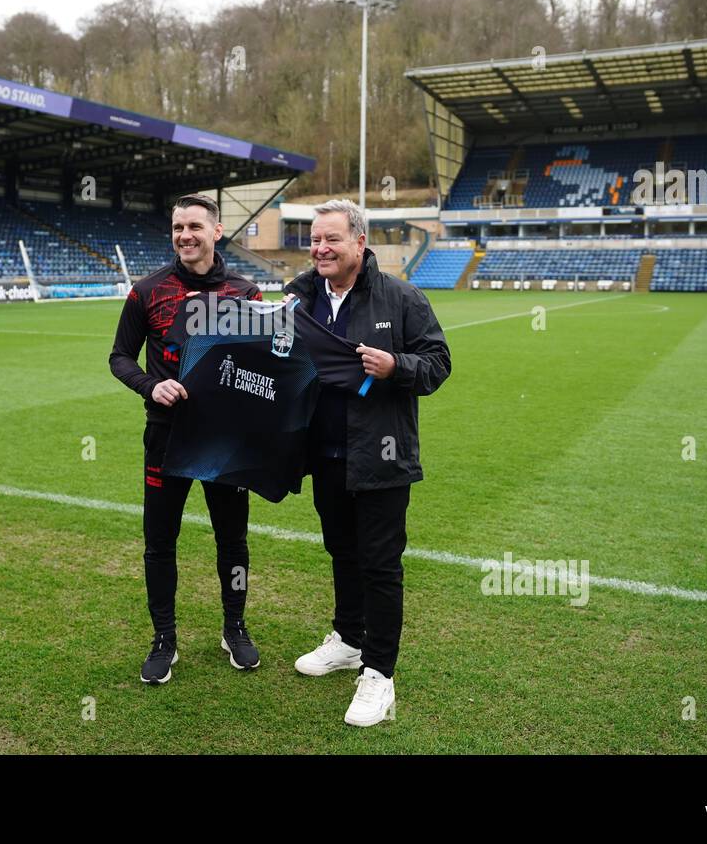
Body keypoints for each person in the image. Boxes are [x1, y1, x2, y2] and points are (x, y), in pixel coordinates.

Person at [283, 199, 451, 726]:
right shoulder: (301, 298)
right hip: (325, 456)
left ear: (360, 242)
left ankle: (379, 674)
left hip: (381, 457)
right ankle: (349, 639)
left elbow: (438, 363)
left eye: (331, 239)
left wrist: (395, 365)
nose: (320, 248)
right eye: (314, 239)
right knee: (341, 551)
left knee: (380, 565)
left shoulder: (400, 296)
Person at [108, 193, 263, 684]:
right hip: (167, 437)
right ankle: (163, 638)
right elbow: (120, 358)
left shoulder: (246, 292)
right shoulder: (147, 291)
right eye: (177, 227)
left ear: (217, 231)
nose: (185, 235)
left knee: (232, 541)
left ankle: (234, 627)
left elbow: (266, 361)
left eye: (195, 226)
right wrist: (152, 385)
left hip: (225, 441)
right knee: (160, 543)